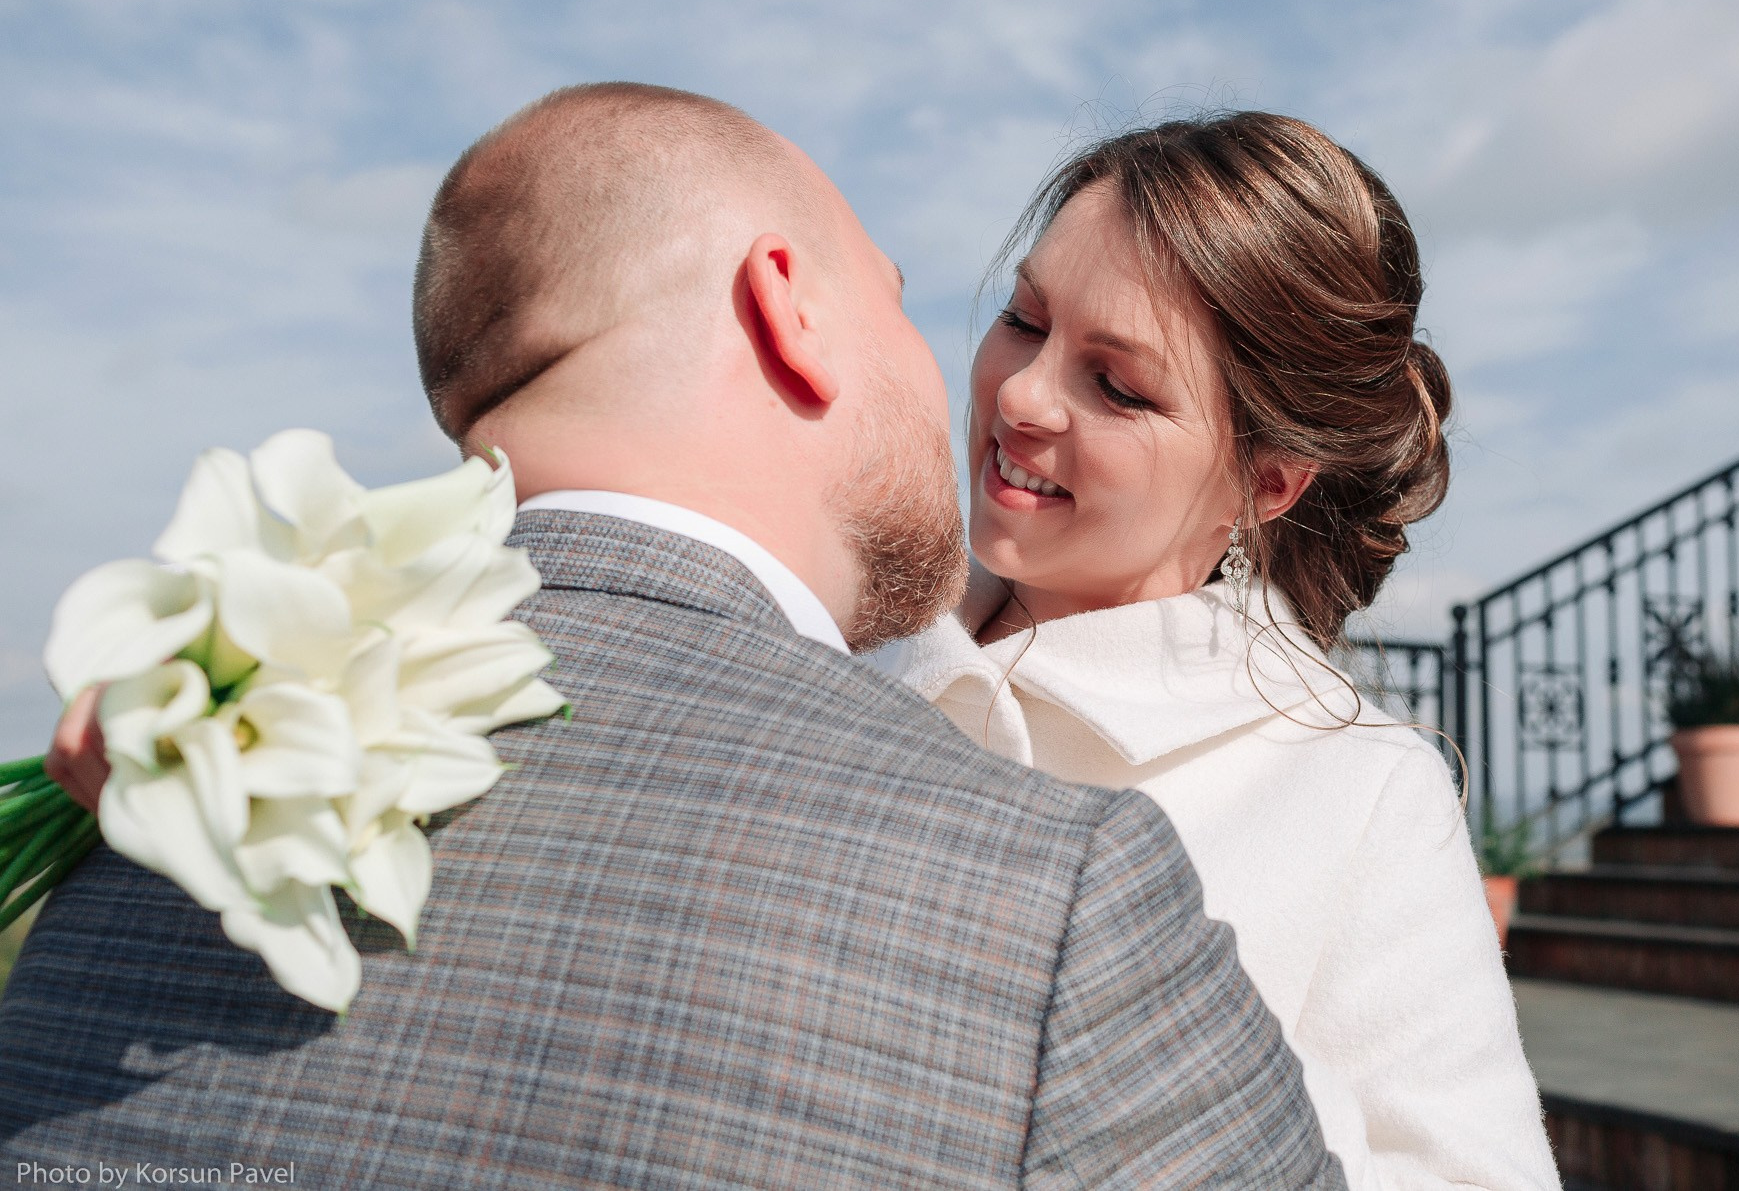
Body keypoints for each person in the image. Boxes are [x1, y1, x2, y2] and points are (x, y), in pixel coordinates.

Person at [0, 84, 1347, 1189]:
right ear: (788, 306)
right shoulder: (1060, 896)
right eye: (906, 298)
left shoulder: (137, 825)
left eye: (1117, 383)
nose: (1002, 396)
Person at [867, 113, 1560, 1191]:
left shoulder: (1356, 788)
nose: (1019, 394)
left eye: (1118, 385)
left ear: (1266, 481)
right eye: (1023, 318)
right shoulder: (844, 638)